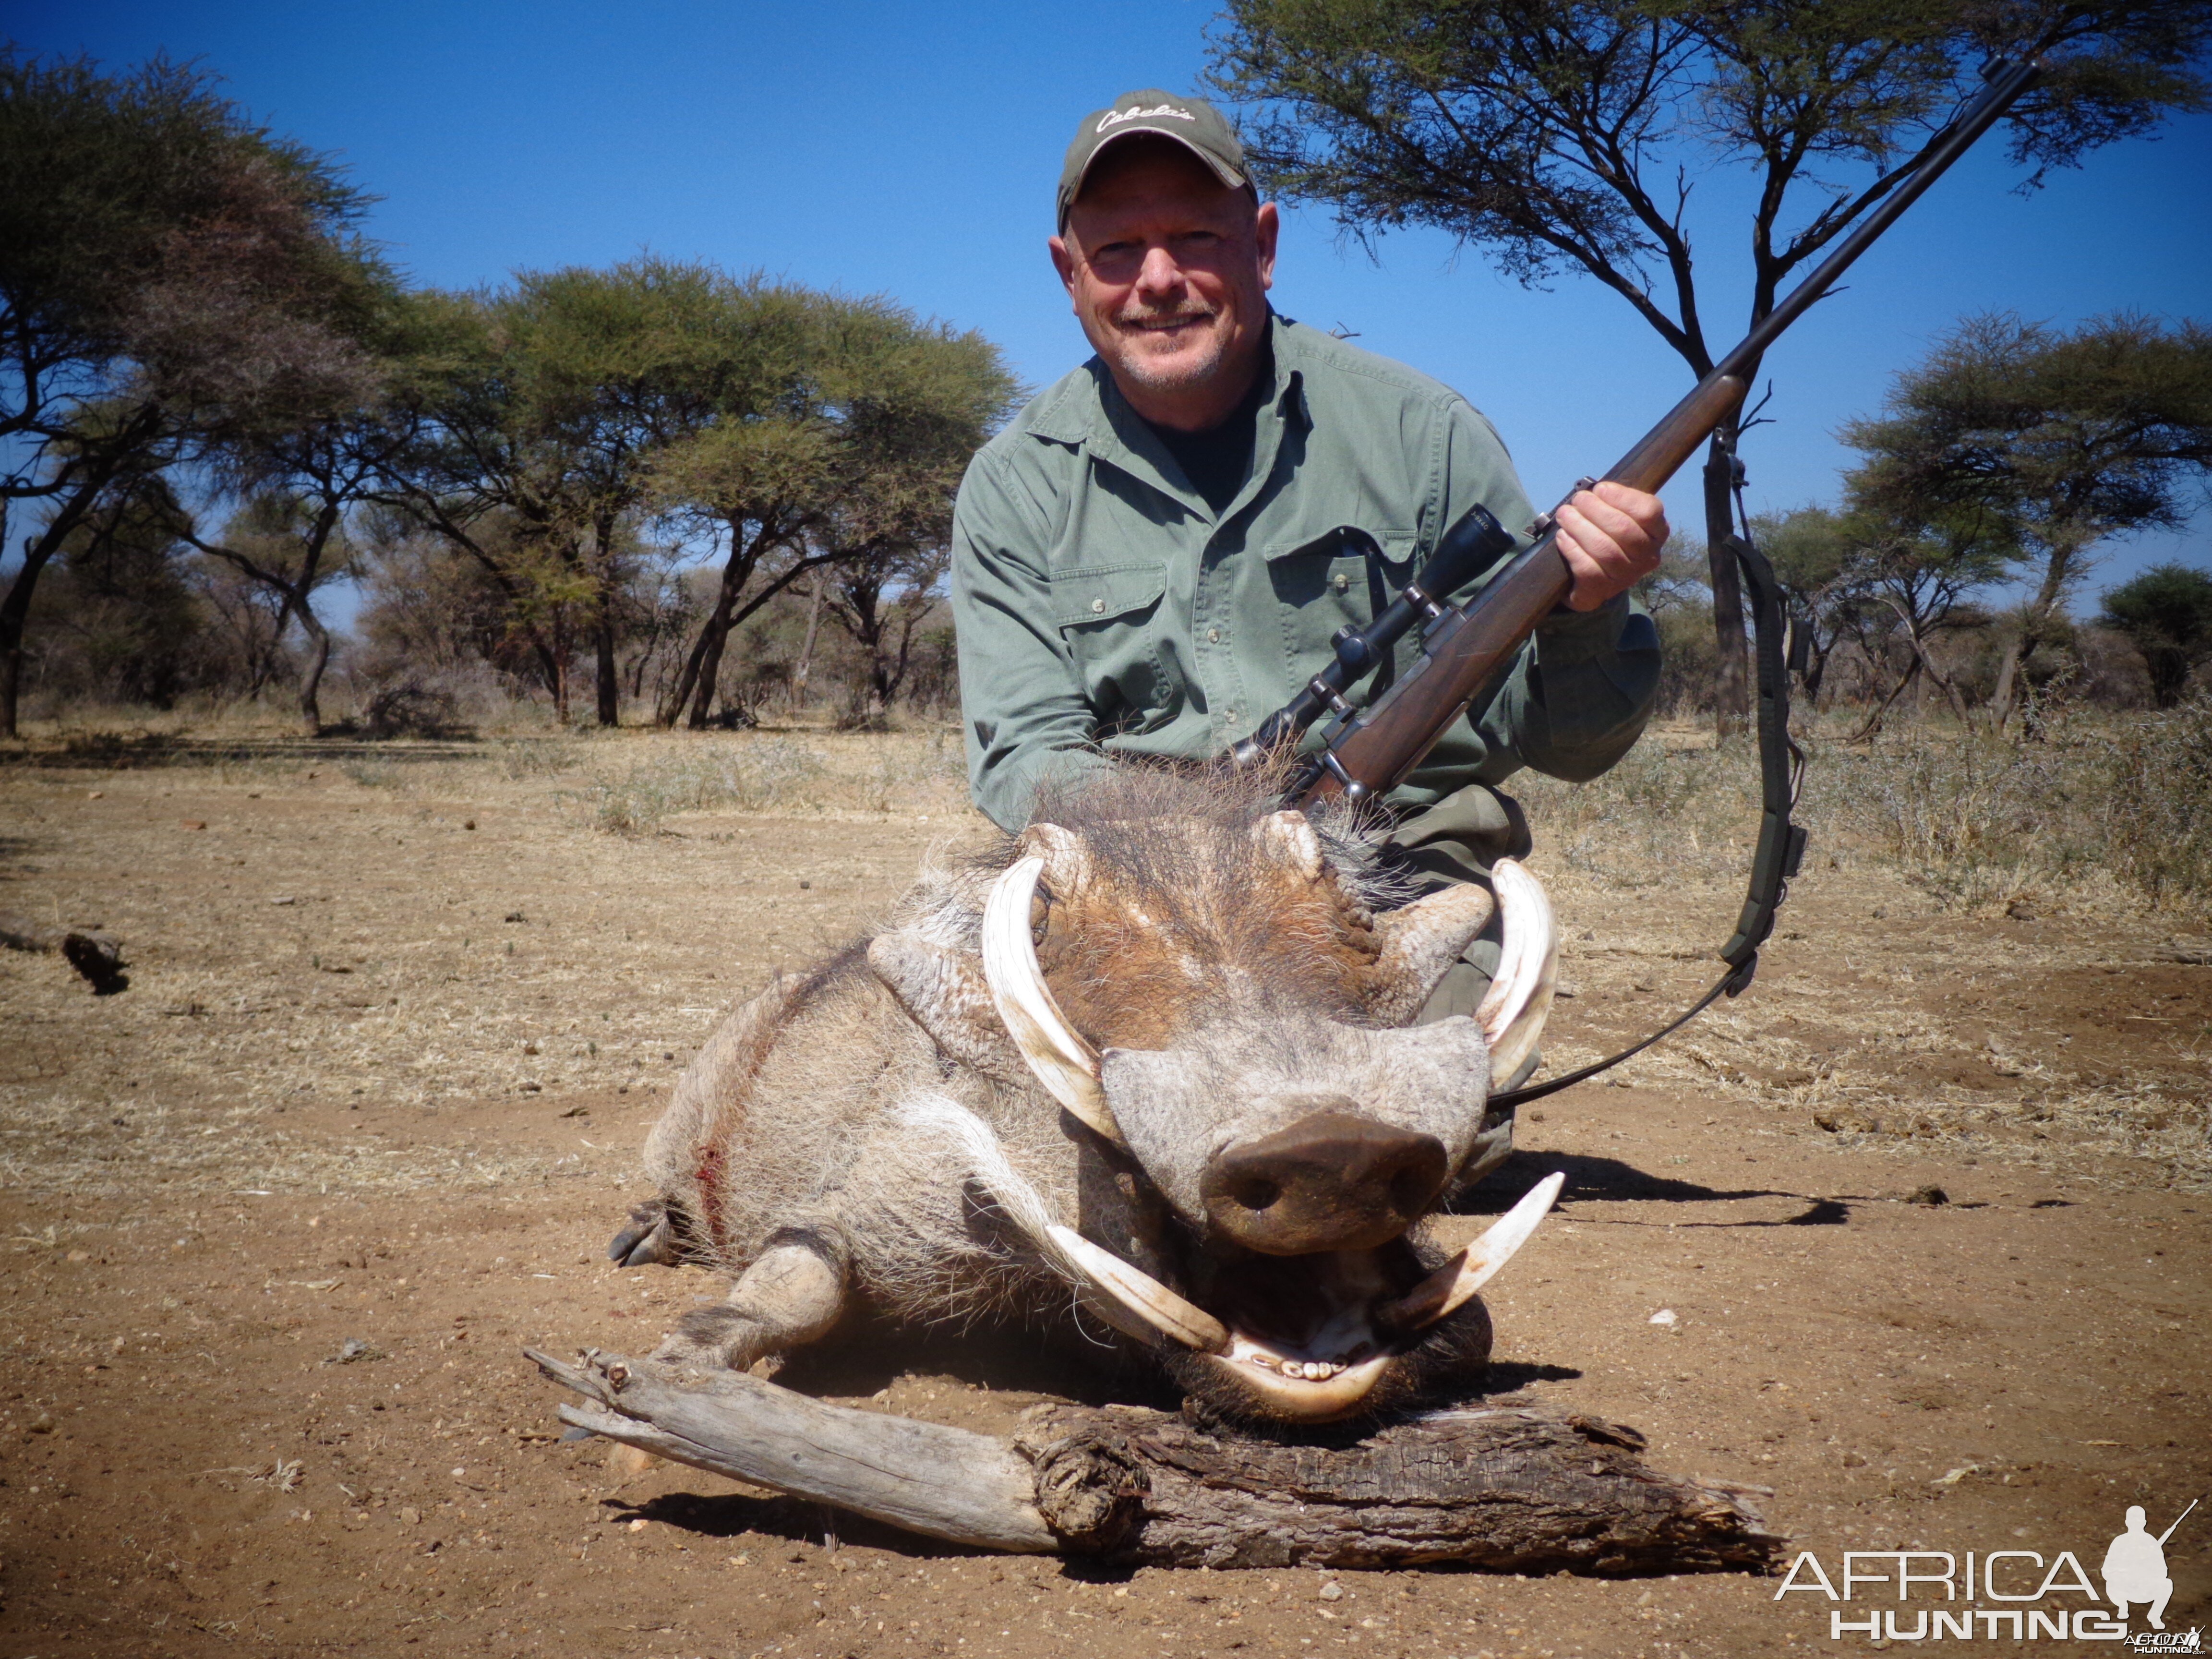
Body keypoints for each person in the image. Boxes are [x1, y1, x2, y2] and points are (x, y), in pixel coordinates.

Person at [949, 89, 1666, 1141]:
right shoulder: (1013, 485)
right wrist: (1213, 840)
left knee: (1399, 1138)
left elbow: (1568, 747)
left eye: (1195, 237)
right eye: (1119, 252)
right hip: (1141, 899)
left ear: (1264, 247)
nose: (1158, 280)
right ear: (1070, 275)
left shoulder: (1424, 435)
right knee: (982, 1096)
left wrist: (1589, 608)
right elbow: (1023, 761)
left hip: (1387, 887)